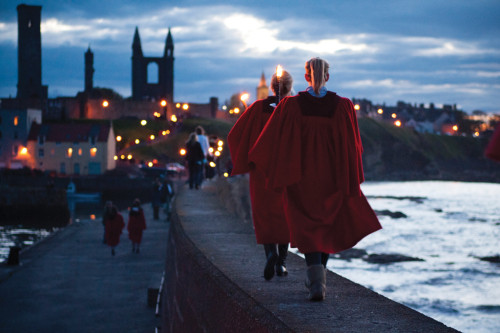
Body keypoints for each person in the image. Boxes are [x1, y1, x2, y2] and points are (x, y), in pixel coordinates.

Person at [249, 57, 382, 301]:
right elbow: (353, 147)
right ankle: (319, 277)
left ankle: (316, 279)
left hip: (301, 177)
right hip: (331, 177)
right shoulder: (343, 106)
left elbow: (272, 142)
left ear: (307, 77)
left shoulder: (291, 106)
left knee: (308, 227)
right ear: (327, 77)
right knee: (325, 226)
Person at [228, 70, 294, 280]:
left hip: (260, 173)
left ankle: (270, 255)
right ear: (289, 87)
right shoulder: (293, 109)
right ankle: (282, 263)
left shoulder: (257, 108)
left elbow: (234, 135)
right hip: (285, 172)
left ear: (272, 87)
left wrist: (245, 159)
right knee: (285, 217)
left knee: (264, 215)